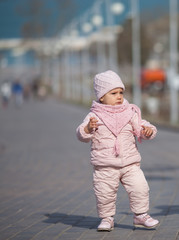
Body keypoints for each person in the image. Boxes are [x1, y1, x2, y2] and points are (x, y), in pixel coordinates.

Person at [76, 70, 159, 231]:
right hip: (105, 165)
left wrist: (147, 130)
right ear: (101, 97)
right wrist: (87, 128)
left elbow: (141, 126)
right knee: (104, 194)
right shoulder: (94, 116)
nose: (119, 96)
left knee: (140, 187)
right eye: (113, 93)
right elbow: (81, 135)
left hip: (130, 162)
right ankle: (107, 219)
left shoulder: (130, 112)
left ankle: (141, 215)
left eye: (121, 92)